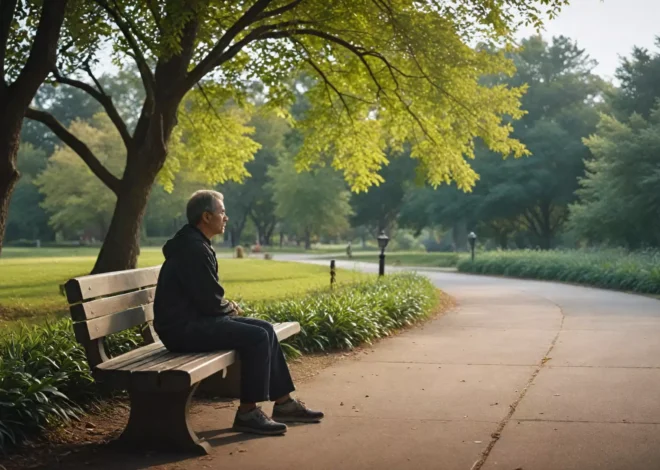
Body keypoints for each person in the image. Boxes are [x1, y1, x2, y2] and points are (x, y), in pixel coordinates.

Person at [153, 189, 324, 435]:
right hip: (183, 330)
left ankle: (284, 403)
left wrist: (225, 307)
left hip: (192, 322)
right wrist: (230, 308)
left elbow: (207, 298)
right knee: (256, 337)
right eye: (222, 212)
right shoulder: (193, 248)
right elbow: (210, 303)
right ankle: (247, 412)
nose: (226, 217)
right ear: (206, 217)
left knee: (265, 328)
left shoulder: (195, 243)